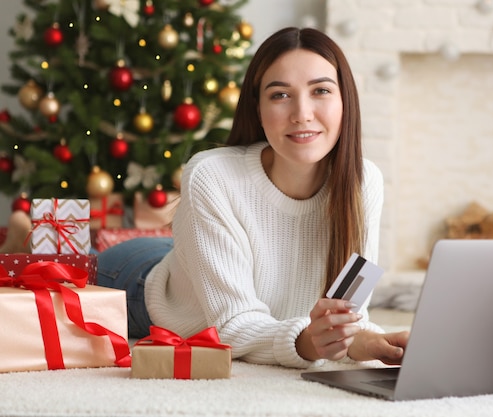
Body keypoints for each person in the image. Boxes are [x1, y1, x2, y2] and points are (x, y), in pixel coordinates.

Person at [52, 26, 409, 369]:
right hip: (142, 281)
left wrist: (367, 340)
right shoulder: (212, 175)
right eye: (280, 94)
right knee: (58, 273)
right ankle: (27, 235)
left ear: (346, 102)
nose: (302, 114)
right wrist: (305, 342)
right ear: (257, 108)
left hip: (198, 264)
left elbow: (350, 312)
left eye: (321, 91)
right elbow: (231, 326)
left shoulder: (364, 182)